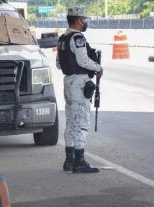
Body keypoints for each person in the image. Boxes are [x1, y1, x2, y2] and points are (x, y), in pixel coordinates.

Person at [56, 7, 103, 173]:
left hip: (68, 82)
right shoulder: (77, 37)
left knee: (70, 122)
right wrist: (98, 67)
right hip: (78, 82)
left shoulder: (62, 38)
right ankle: (79, 161)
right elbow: (82, 60)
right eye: (83, 19)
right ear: (77, 20)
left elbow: (58, 64)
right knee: (82, 121)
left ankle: (69, 160)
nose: (85, 22)